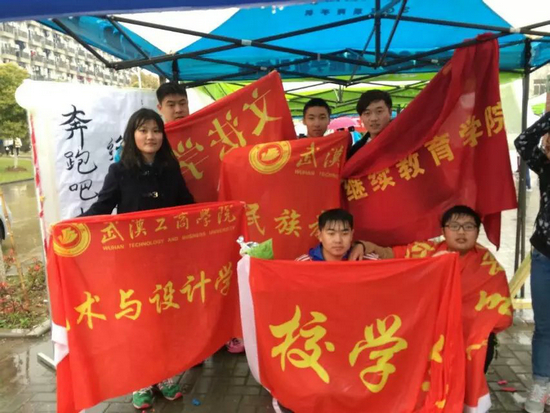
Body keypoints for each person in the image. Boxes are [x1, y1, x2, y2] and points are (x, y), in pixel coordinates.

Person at [81, 108, 193, 409]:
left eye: (156, 130)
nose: (150, 136)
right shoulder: (120, 171)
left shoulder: (171, 168)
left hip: (166, 257)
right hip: (132, 261)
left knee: (165, 318)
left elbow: (187, 206)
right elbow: (102, 207)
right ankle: (141, 381)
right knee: (139, 321)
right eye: (143, 130)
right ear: (132, 134)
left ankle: (165, 375)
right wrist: (71, 227)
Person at [350, 205, 512, 412]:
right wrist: (363, 245)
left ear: (477, 231)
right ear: (443, 231)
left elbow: (502, 316)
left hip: (467, 338)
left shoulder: (489, 266)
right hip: (425, 334)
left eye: (469, 226)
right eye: (454, 226)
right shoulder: (426, 252)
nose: (461, 232)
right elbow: (388, 254)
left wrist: (467, 324)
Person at [273, 209, 376, 413]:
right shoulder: (302, 266)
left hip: (357, 339)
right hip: (318, 340)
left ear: (352, 235)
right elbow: (285, 304)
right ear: (319, 235)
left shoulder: (369, 262)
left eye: (344, 233)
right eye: (331, 233)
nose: (338, 240)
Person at [514, 111, 550, 413]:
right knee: (545, 327)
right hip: (544, 258)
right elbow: (524, 141)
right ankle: (540, 386)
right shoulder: (547, 167)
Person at [347, 90, 392, 159]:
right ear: (361, 117)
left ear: (390, 112)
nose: (373, 118)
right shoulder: (355, 151)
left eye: (379, 111)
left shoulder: (403, 142)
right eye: (367, 113)